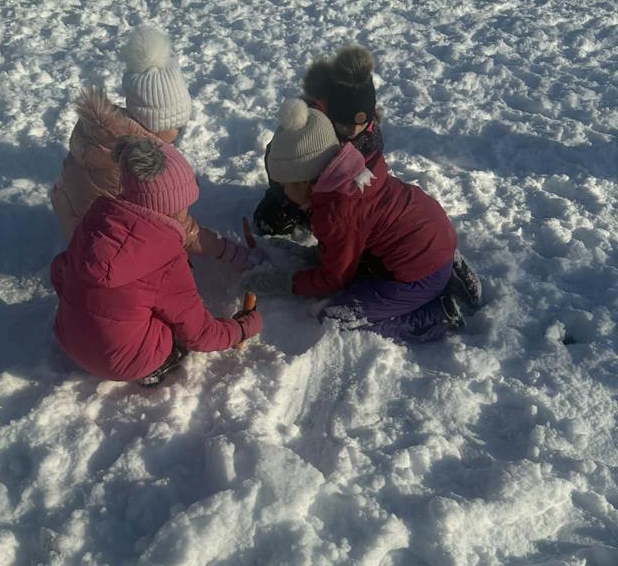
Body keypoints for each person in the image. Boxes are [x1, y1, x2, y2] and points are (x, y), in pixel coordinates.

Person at [244, 99, 481, 344]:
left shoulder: (337, 213)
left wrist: (286, 283)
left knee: (337, 317)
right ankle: (449, 270)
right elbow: (352, 239)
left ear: (304, 180)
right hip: (433, 237)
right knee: (370, 265)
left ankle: (440, 315)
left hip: (417, 275)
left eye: (285, 185)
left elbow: (334, 279)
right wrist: (314, 256)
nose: (283, 192)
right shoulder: (354, 167)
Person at [50, 138, 263, 386]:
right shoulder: (166, 261)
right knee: (172, 329)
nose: (187, 212)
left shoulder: (96, 224)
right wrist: (241, 329)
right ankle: (157, 367)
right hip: (127, 362)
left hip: (68, 337)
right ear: (170, 208)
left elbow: (59, 269)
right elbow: (199, 334)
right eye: (184, 206)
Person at [51, 24, 258, 270]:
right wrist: (229, 251)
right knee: (167, 257)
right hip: (100, 248)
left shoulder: (105, 130)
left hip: (71, 214)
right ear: (156, 123)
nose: (180, 131)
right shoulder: (140, 164)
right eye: (177, 126)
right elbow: (179, 228)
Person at [253, 45, 384, 238]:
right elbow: (278, 159)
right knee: (269, 220)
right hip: (299, 190)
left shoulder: (370, 137)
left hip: (340, 197)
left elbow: (370, 173)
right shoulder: (306, 126)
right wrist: (288, 193)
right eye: (344, 125)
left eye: (362, 124)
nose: (353, 131)